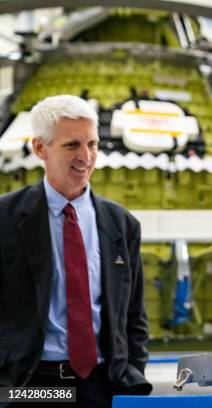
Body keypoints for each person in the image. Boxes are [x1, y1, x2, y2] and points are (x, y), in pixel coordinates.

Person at [0, 95, 151, 406]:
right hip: (31, 386)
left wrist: (132, 370)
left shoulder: (122, 225)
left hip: (102, 385)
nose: (86, 156)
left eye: (92, 144)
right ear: (40, 148)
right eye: (72, 145)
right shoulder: (5, 219)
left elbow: (134, 316)